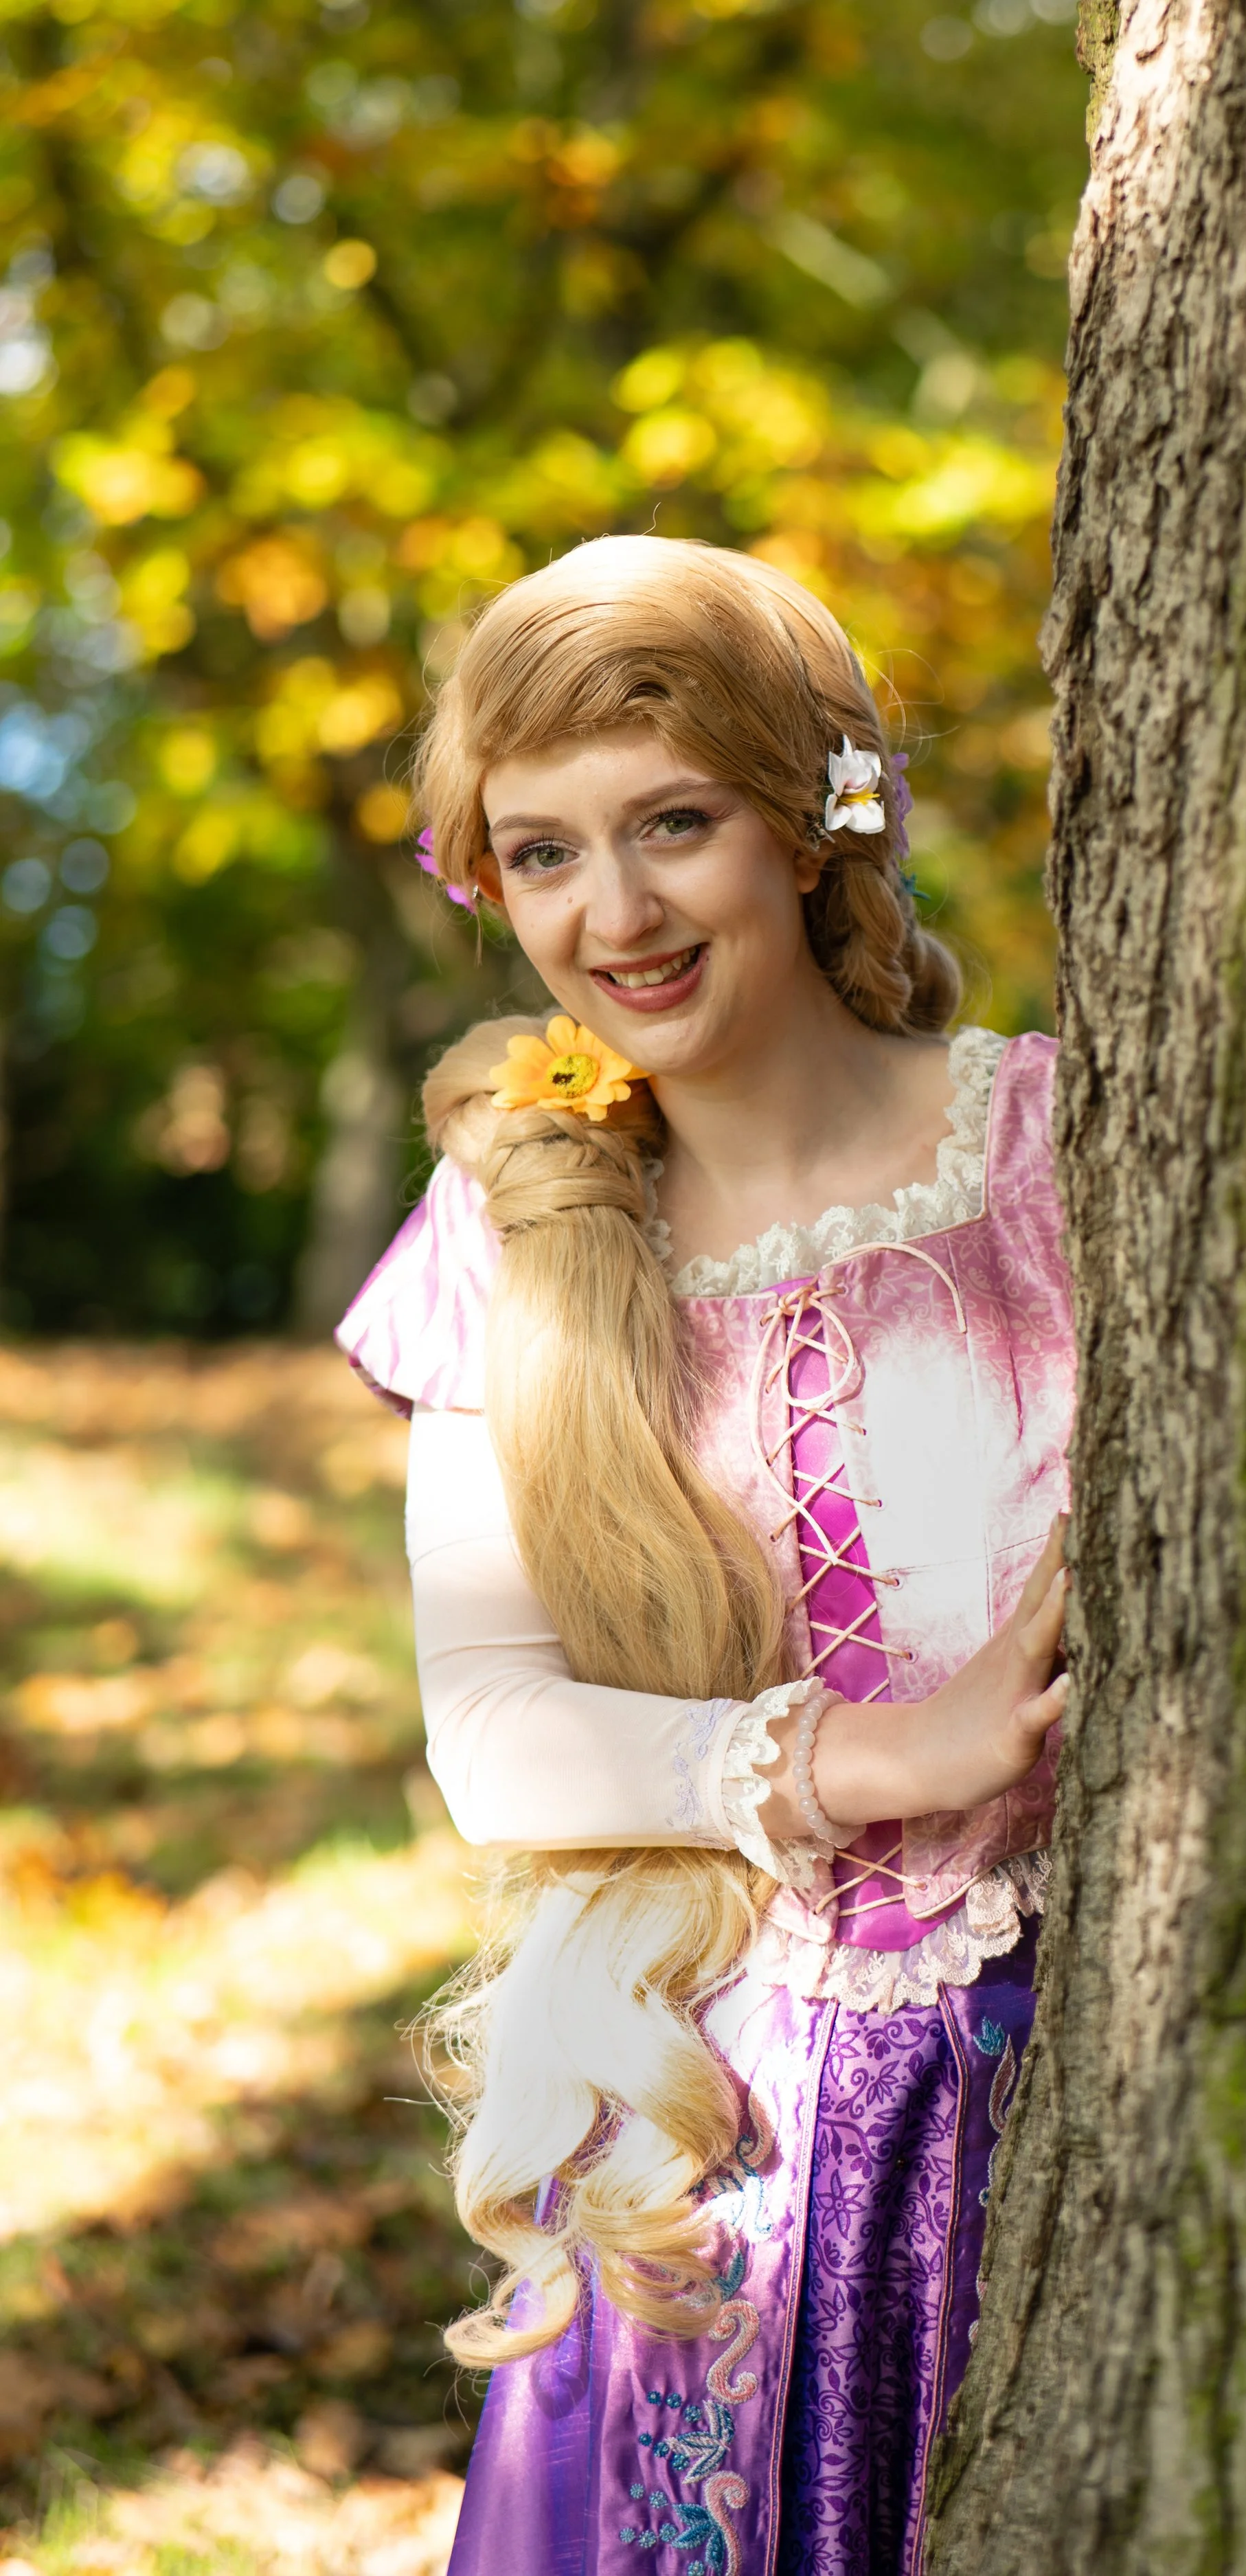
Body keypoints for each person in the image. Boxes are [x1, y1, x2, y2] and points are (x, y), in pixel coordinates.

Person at [337, 535, 1074, 2576]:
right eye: (544, 851)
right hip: (694, 2123)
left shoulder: (1054, 1153)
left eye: (675, 823)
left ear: (818, 820)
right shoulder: (510, 1231)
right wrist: (871, 1756)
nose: (616, 912)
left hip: (1069, 2066)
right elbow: (492, 1730)